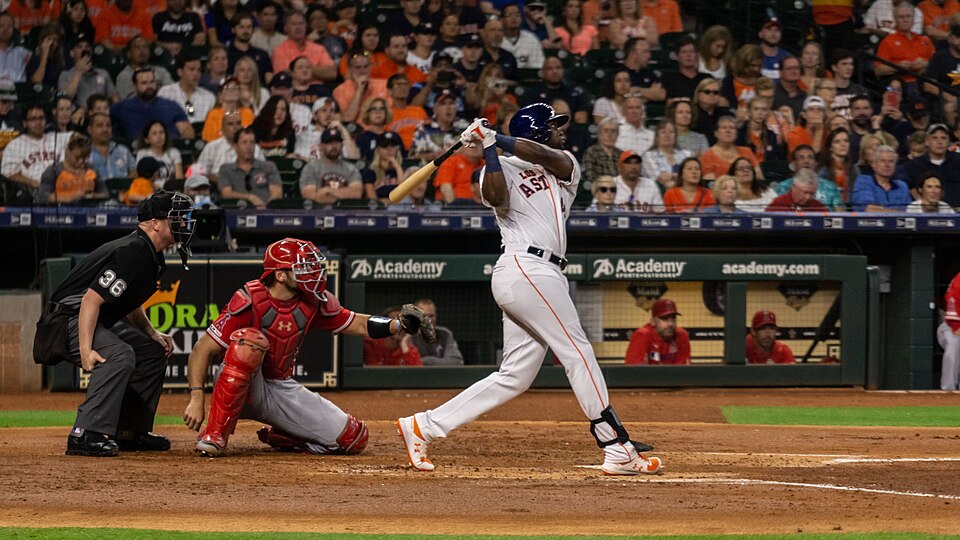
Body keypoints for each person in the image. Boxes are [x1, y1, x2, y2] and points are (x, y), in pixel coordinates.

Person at [396, 103, 663, 475]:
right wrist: (490, 150)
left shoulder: (564, 162)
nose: (561, 131)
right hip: (525, 267)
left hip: (539, 273)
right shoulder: (497, 168)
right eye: (553, 126)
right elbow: (499, 197)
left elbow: (543, 154)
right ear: (537, 130)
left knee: (515, 376)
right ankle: (616, 445)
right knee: (577, 352)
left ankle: (423, 425)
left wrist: (495, 137)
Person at [183, 238, 435, 456]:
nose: (313, 272)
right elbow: (201, 350)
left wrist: (397, 325)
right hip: (242, 384)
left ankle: (289, 436)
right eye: (302, 268)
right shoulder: (249, 300)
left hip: (278, 386)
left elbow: (357, 324)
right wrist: (196, 398)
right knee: (249, 342)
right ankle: (215, 434)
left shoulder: (313, 302)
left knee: (354, 438)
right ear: (280, 275)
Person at [34, 191, 194, 456]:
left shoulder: (149, 254)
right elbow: (90, 300)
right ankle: (85, 434)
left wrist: (152, 333)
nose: (184, 224)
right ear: (155, 223)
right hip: (65, 321)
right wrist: (86, 348)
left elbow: (128, 303)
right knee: (120, 354)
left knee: (151, 352)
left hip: (86, 319)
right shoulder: (133, 252)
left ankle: (130, 431)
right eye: (176, 218)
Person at [1, 104, 69, 201]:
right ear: (24, 123)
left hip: (65, 186)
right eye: (33, 119)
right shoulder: (15, 144)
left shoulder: (57, 138)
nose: (38, 122)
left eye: (41, 118)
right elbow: (8, 173)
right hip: (34, 192)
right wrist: (32, 182)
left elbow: (80, 140)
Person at [111, 68, 193, 141]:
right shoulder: (121, 107)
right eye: (144, 83)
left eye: (152, 82)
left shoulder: (171, 106)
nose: (149, 86)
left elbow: (187, 133)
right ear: (135, 86)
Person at [218, 127, 282, 208]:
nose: (249, 146)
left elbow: (277, 194)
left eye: (252, 142)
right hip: (237, 214)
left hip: (264, 212)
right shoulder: (226, 169)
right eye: (244, 142)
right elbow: (226, 194)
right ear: (235, 146)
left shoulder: (269, 167)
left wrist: (265, 209)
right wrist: (250, 198)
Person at [298, 127, 364, 205]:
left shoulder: (351, 168)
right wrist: (342, 197)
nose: (334, 146)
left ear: (342, 145)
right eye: (329, 142)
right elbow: (310, 198)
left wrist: (328, 190)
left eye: (337, 142)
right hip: (318, 213)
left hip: (345, 213)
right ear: (321, 146)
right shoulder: (310, 168)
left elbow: (356, 194)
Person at [900, 123, 960, 206]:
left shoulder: (958, 161)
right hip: (927, 213)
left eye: (943, 138)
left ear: (949, 142)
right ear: (927, 142)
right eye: (935, 138)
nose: (939, 142)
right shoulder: (914, 165)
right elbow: (906, 185)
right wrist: (921, 203)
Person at [38, 133, 107, 204]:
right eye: (77, 158)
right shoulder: (53, 171)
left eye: (84, 158)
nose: (81, 161)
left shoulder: (92, 169)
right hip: (61, 211)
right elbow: (43, 197)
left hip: (89, 210)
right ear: (68, 152)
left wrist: (92, 196)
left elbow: (105, 194)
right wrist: (70, 198)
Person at [624, 298, 690, 365]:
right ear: (653, 321)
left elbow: (683, 370)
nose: (670, 323)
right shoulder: (642, 335)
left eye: (673, 318)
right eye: (664, 318)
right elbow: (634, 372)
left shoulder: (682, 335)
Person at [159, 51, 217, 126]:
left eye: (199, 70)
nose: (196, 74)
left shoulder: (209, 97)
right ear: (180, 72)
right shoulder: (165, 93)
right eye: (192, 69)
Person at [58, 36, 117, 110]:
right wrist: (78, 73)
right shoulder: (65, 75)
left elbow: (114, 97)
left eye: (87, 47)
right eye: (80, 47)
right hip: (78, 116)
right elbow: (66, 97)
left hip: (101, 113)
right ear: (72, 53)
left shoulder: (103, 73)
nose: (84, 49)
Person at [851, 145, 913, 212]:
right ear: (873, 164)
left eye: (891, 161)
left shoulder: (902, 186)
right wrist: (898, 214)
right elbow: (869, 209)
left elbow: (909, 212)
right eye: (883, 161)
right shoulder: (864, 181)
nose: (887, 165)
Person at [700, 116, 760, 180]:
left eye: (732, 128)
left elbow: (759, 178)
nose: (728, 131)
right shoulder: (707, 156)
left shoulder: (747, 152)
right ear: (716, 133)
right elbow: (710, 184)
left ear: (736, 133)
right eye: (724, 127)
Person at [115, 36, 175, 100]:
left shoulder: (161, 71)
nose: (142, 50)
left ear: (149, 53)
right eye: (137, 47)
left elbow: (173, 93)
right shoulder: (123, 76)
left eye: (145, 47)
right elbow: (127, 100)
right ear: (129, 54)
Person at [410, 299, 465, 366]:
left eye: (432, 316)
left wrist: (427, 361)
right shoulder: (409, 337)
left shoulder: (444, 334)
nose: (429, 320)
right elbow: (409, 365)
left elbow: (457, 362)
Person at [642, 119, 692, 191]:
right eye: (663, 132)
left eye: (671, 132)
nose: (667, 135)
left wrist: (672, 178)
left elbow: (691, 176)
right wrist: (679, 176)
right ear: (657, 137)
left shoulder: (687, 155)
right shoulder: (648, 156)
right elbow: (659, 177)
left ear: (675, 136)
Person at [201, 77, 255, 142]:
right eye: (227, 87)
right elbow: (209, 140)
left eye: (236, 87)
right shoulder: (214, 114)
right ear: (220, 95)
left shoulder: (247, 113)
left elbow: (253, 137)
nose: (232, 90)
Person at [87, 112, 136, 181]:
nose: (105, 129)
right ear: (90, 130)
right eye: (100, 126)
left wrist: (124, 186)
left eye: (108, 126)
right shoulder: (83, 152)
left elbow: (134, 171)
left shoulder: (123, 150)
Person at [434, 136, 483, 203]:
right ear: (462, 147)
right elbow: (446, 189)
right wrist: (454, 209)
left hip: (483, 206)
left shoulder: (486, 164)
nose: (475, 147)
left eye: (478, 143)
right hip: (459, 206)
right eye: (470, 144)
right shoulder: (451, 162)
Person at [662, 36, 710, 103]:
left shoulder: (706, 78)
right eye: (684, 52)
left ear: (697, 55)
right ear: (677, 56)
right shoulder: (669, 78)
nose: (688, 55)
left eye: (692, 51)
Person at [136, 121, 183, 188]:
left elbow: (179, 178)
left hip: (171, 191)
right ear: (147, 139)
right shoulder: (142, 154)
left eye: (161, 132)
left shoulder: (173, 152)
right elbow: (141, 179)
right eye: (154, 133)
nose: (159, 136)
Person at [938, 270, 960, 390]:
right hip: (951, 326)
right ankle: (948, 390)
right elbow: (951, 299)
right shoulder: (959, 279)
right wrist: (956, 326)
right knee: (953, 345)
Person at [0, 12, 30, 83]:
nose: (6, 29)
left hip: (18, 91)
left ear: (14, 30)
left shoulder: (23, 53)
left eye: (9, 26)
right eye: (1, 26)